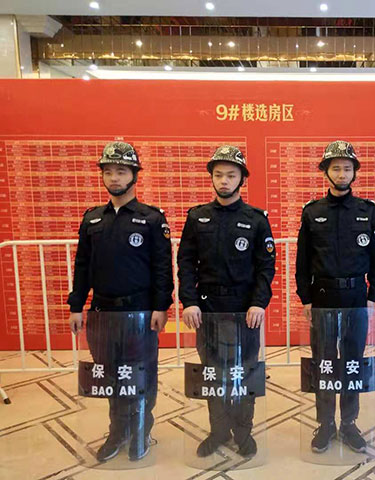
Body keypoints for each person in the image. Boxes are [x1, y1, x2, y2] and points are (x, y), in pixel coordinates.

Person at [68, 141, 173, 462]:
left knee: (141, 373)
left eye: (122, 171)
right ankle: (117, 431)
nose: (114, 178)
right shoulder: (92, 219)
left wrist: (161, 307)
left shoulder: (151, 219)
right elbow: (82, 266)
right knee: (111, 375)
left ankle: (141, 428)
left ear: (134, 175)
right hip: (102, 313)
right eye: (109, 171)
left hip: (139, 312)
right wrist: (76, 306)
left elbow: (162, 268)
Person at [178, 145, 275, 458]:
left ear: (242, 179)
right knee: (213, 372)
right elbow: (185, 262)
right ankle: (218, 430)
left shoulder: (256, 219)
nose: (224, 181)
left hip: (245, 311)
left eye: (231, 175)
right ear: (211, 178)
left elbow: (266, 266)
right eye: (218, 175)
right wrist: (189, 301)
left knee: (244, 372)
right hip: (207, 310)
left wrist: (259, 302)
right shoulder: (197, 217)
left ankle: (243, 431)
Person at [295, 140, 375, 453]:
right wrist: (305, 298)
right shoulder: (313, 212)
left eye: (347, 168)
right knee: (324, 362)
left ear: (354, 173)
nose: (342, 174)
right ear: (326, 172)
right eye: (336, 168)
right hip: (322, 297)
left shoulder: (367, 212)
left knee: (352, 362)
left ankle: (348, 423)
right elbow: (303, 260)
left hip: (356, 297)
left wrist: (373, 295)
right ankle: (325, 423)